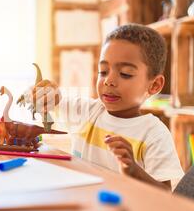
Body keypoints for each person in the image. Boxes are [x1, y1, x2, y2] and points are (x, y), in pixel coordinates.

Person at [32, 24, 184, 190]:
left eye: (125, 73)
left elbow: (165, 194)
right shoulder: (87, 112)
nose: (108, 80)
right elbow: (51, 103)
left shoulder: (154, 134)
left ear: (154, 85)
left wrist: (133, 171)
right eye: (103, 71)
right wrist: (46, 95)